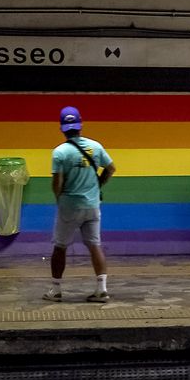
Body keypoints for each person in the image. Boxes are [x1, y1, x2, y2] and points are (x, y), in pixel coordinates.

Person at [44, 106, 115, 303]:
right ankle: (101, 289)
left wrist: (59, 198)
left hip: (69, 206)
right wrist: (98, 184)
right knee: (95, 245)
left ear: (62, 128)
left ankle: (56, 290)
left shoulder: (60, 153)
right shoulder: (96, 147)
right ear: (80, 123)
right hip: (92, 206)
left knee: (60, 247)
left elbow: (57, 182)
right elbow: (111, 168)